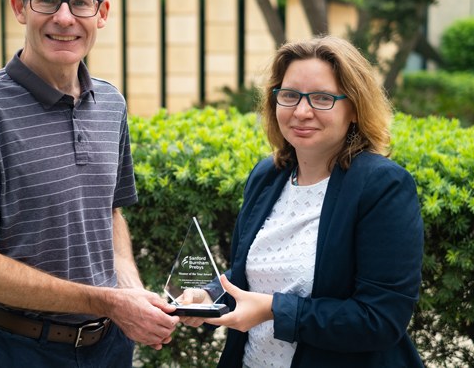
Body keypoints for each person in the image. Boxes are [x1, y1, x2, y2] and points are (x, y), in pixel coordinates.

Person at [0, 0, 178, 368]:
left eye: (80, 2)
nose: (65, 18)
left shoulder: (112, 104)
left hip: (110, 347)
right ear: (19, 7)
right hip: (16, 349)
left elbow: (109, 213)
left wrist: (131, 294)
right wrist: (108, 302)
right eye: (47, 0)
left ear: (101, 13)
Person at [180, 35, 424, 367]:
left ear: (354, 108)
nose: (302, 111)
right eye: (290, 96)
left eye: (322, 98)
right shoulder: (268, 175)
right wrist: (210, 294)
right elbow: (259, 272)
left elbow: (380, 318)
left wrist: (271, 310)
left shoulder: (381, 186)